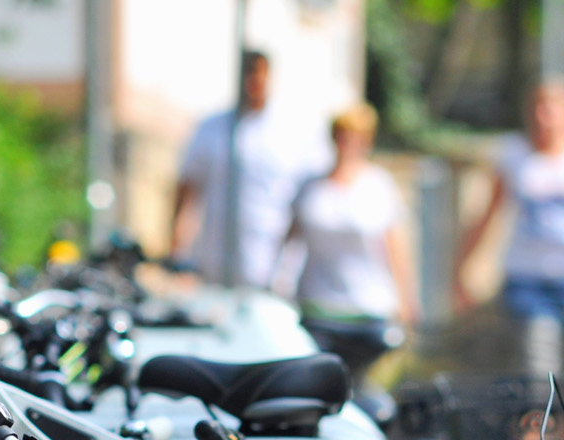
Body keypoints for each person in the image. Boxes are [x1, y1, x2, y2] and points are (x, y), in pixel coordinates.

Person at [456, 77, 564, 378]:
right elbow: (486, 214)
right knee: (536, 368)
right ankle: (536, 424)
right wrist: (461, 269)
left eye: (553, 109)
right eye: (538, 109)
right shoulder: (512, 153)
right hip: (528, 278)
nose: (545, 118)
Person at [281, 103, 419, 388]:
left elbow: (395, 247)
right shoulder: (311, 186)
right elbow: (288, 241)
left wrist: (407, 301)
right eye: (344, 135)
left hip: (368, 307)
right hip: (317, 304)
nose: (350, 143)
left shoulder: (378, 185)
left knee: (366, 386)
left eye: (358, 136)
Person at [170, 51, 326, 289]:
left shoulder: (296, 131)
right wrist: (177, 254)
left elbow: (310, 200)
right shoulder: (212, 128)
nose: (254, 83)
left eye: (260, 74)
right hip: (215, 267)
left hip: (274, 271)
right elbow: (187, 191)